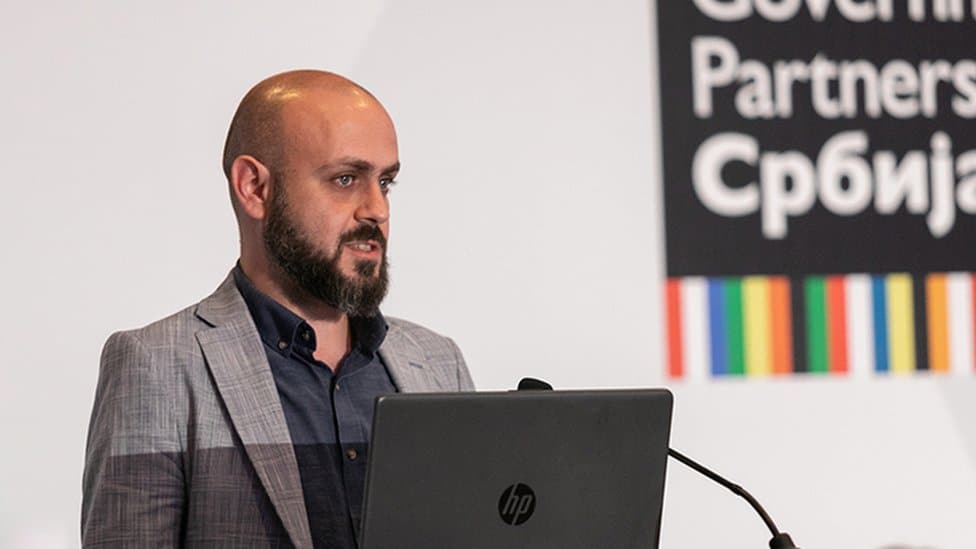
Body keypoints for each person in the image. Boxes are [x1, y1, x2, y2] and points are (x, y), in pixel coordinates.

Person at [81, 70, 475, 549]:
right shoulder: (158, 365)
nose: (377, 209)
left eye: (385, 182)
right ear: (254, 188)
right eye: (346, 179)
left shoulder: (438, 363)